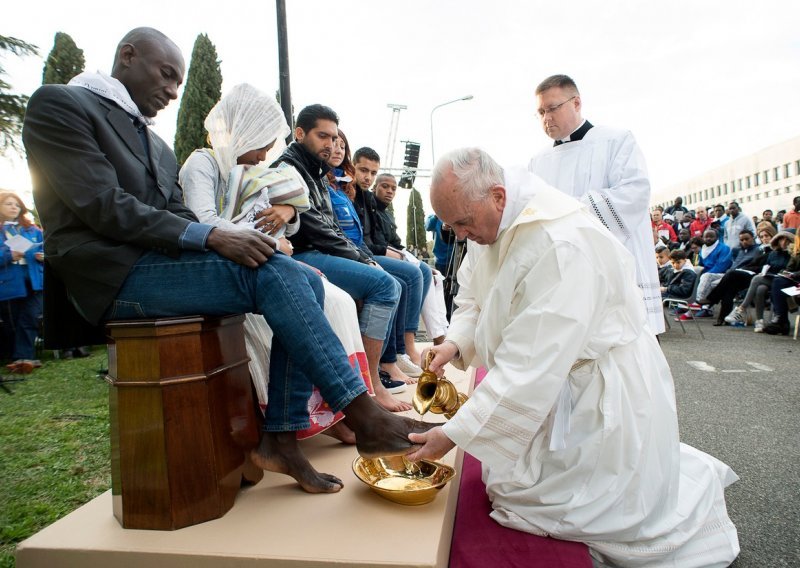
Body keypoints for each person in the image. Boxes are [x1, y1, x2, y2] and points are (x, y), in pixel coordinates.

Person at [22, 27, 432, 494]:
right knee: (280, 275)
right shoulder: (60, 104)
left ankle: (281, 435)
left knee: (304, 279)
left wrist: (227, 235)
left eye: (179, 81)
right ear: (127, 56)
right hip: (114, 276)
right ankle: (362, 414)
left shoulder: (153, 142)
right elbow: (100, 203)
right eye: (167, 75)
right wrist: (214, 235)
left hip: (159, 265)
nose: (174, 90)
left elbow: (174, 215)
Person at [408, 147, 739, 567]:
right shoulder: (489, 222)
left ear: (497, 195)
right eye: (452, 224)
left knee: (580, 504)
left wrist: (452, 435)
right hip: (551, 379)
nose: (459, 234)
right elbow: (474, 296)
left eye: (462, 223)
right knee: (516, 485)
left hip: (594, 386)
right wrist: (454, 343)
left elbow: (530, 367)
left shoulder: (559, 242)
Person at [180, 83, 372, 442]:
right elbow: (201, 220)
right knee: (305, 300)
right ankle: (305, 418)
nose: (266, 151)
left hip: (264, 258)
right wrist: (271, 240)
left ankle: (338, 411)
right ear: (244, 131)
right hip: (232, 265)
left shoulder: (252, 171)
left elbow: (289, 220)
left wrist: (287, 211)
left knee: (339, 301)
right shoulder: (203, 163)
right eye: (263, 142)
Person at [269, 105, 410, 412]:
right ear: (300, 133)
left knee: (395, 282)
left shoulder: (317, 171)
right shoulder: (288, 169)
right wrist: (363, 259)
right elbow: (316, 230)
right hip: (303, 254)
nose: (331, 145)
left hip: (322, 251)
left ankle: (374, 375)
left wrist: (360, 257)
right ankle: (372, 383)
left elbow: (333, 228)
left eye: (334, 138)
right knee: (386, 286)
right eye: (323, 136)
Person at [528, 74, 663, 334]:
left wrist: (567, 213)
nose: (547, 118)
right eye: (541, 112)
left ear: (576, 103)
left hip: (612, 266)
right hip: (563, 273)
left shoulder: (616, 140)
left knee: (630, 356)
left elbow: (633, 193)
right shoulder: (537, 161)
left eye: (553, 108)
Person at [350, 148, 428, 377]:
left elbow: (384, 239)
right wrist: (380, 253)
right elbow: (365, 241)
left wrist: (395, 252)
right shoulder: (352, 194)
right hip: (357, 253)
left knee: (423, 271)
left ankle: (407, 349)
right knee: (408, 277)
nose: (368, 177)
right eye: (363, 170)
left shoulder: (365, 198)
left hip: (363, 252)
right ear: (352, 166)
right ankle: (399, 352)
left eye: (372, 172)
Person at [373, 173, 448, 346]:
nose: (389, 191)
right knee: (418, 273)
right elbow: (375, 244)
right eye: (384, 186)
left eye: (393, 188)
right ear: (375, 187)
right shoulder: (369, 208)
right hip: (376, 254)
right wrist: (402, 256)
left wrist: (406, 256)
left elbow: (397, 244)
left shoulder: (387, 215)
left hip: (390, 253)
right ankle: (418, 341)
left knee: (436, 276)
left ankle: (443, 330)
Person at [0, 191, 44, 373]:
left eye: (16, 204)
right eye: (9, 204)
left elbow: (47, 246)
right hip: (9, 284)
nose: (13, 207)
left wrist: (43, 257)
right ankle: (22, 358)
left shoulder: (32, 229)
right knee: (13, 322)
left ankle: (22, 358)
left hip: (34, 280)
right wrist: (8, 255)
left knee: (30, 317)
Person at [699, 228, 770, 327]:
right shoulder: (739, 251)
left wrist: (742, 269)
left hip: (752, 276)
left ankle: (712, 299)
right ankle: (722, 318)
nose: (744, 241)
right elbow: (734, 265)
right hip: (737, 276)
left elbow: (759, 266)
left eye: (747, 239)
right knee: (728, 289)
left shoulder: (759, 249)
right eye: (742, 240)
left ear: (753, 238)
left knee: (731, 275)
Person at [723, 231, 793, 330]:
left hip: (783, 280)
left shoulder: (792, 255)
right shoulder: (773, 254)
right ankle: (759, 321)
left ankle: (741, 309)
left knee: (756, 279)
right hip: (770, 278)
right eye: (781, 239)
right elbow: (767, 266)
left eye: (786, 240)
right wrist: (764, 272)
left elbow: (789, 269)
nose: (783, 242)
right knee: (760, 289)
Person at [763, 232, 800, 335]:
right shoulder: (797, 250)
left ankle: (781, 321)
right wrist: (787, 273)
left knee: (778, 285)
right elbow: (789, 268)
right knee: (778, 281)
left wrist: (794, 274)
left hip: (797, 279)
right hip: (796, 282)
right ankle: (781, 319)